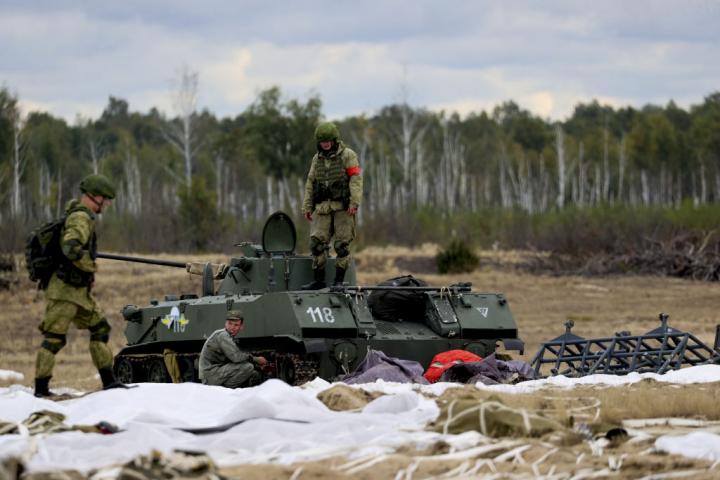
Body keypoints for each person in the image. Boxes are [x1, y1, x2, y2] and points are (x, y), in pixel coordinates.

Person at [34, 174, 127, 397]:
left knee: (100, 328)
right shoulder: (80, 218)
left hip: (78, 292)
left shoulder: (80, 216)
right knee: (54, 338)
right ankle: (41, 390)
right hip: (64, 291)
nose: (107, 203)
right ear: (94, 196)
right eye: (105, 199)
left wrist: (87, 273)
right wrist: (90, 266)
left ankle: (109, 382)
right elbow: (70, 247)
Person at [301, 122, 363, 289]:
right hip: (322, 208)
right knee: (316, 244)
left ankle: (339, 281)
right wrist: (307, 206)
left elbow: (356, 180)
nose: (326, 144)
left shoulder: (348, 155)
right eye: (323, 141)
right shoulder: (317, 159)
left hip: (343, 207)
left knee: (341, 246)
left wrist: (354, 202)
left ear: (334, 140)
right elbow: (310, 182)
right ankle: (319, 281)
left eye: (328, 140)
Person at [198, 310, 267, 388]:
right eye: (230, 323)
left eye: (236, 325)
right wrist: (256, 359)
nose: (232, 327)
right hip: (210, 375)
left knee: (253, 373)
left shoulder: (228, 336)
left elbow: (233, 359)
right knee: (248, 367)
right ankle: (227, 391)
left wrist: (256, 364)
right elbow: (236, 357)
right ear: (225, 323)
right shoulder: (223, 335)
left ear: (241, 327)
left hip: (214, 373)